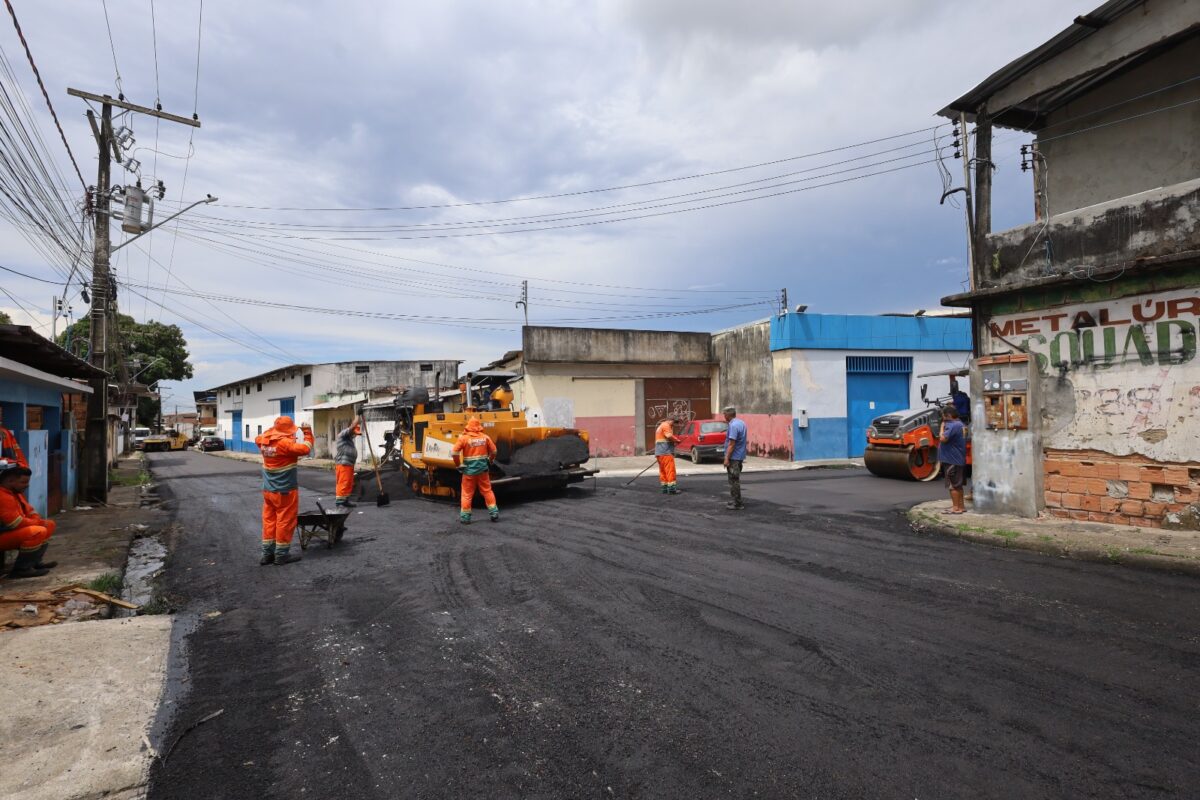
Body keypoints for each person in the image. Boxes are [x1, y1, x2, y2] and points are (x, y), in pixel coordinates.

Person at [255, 416, 314, 565]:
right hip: (285, 491)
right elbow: (306, 448)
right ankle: (281, 554)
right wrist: (307, 432)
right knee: (284, 521)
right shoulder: (285, 444)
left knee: (269, 521)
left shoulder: (262, 441)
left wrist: (274, 430)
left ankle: (267, 554)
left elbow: (261, 436)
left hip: (268, 491)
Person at [0, 462, 57, 579]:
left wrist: (36, 520)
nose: (27, 485)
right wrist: (35, 522)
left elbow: (31, 511)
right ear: (10, 481)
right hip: (3, 534)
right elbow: (15, 523)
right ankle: (21, 569)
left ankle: (35, 563)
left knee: (49, 525)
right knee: (37, 531)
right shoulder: (3, 496)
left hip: (9, 533)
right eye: (23, 482)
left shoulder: (15, 493)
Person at [452, 417, 499, 525]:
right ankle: (494, 513)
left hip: (469, 472)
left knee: (467, 494)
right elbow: (494, 451)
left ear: (468, 427)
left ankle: (465, 518)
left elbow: (454, 453)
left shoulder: (463, 439)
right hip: (483, 471)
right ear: (478, 427)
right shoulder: (485, 437)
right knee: (487, 491)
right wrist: (490, 460)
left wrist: (459, 465)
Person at [938, 406, 968, 514]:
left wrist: (941, 427)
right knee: (958, 485)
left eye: (943, 415)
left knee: (953, 485)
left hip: (951, 460)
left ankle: (955, 508)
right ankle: (961, 507)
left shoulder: (952, 425)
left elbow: (943, 438)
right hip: (958, 459)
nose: (942, 418)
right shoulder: (961, 424)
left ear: (949, 415)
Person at [334, 415, 362, 509]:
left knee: (349, 483)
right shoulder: (343, 435)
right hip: (343, 464)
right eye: (354, 433)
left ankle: (345, 500)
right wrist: (358, 416)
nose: (355, 435)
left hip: (349, 464)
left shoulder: (349, 439)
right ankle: (339, 502)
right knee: (343, 482)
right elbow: (353, 426)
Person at [723, 406, 748, 510]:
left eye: (724, 414)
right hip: (740, 455)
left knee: (734, 480)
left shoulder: (733, 425)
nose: (724, 416)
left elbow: (732, 444)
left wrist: (726, 458)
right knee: (734, 479)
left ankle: (737, 503)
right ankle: (735, 499)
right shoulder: (741, 423)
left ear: (728, 414)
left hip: (734, 457)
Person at [654, 415, 681, 495]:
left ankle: (665, 488)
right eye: (674, 422)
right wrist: (677, 440)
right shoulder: (666, 425)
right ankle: (672, 489)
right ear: (671, 420)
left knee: (663, 471)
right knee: (670, 470)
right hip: (666, 452)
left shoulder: (660, 426)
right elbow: (669, 436)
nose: (674, 424)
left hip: (659, 453)